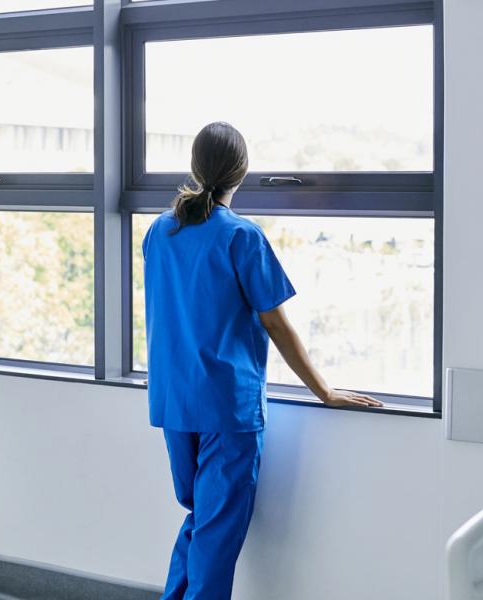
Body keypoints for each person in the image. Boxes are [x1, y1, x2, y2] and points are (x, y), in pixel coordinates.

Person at [142, 121, 384, 600]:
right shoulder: (240, 236)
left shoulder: (159, 231)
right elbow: (276, 324)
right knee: (214, 529)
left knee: (200, 518)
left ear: (194, 167)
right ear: (242, 172)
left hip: (173, 401)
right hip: (225, 406)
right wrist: (326, 392)